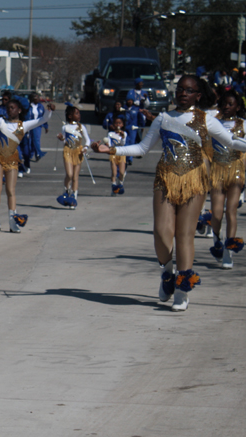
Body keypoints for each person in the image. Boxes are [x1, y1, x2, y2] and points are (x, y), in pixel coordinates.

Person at [92, 75, 246, 311]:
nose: (183, 93)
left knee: (184, 235)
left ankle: (182, 289)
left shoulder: (206, 120)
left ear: (197, 95)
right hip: (165, 179)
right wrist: (112, 149)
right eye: (180, 89)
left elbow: (232, 142)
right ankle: (167, 271)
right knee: (162, 233)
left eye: (189, 90)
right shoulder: (163, 118)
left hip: (194, 182)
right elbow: (142, 149)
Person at [0, 96, 54, 233]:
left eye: (12, 108)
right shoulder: (1, 122)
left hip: (13, 160)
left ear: (19, 110)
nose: (9, 110)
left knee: (10, 191)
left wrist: (49, 111)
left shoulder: (24, 125)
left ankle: (13, 221)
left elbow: (42, 120)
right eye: (8, 108)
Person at [208, 87, 245, 269]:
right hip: (217, 172)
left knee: (231, 210)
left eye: (231, 104)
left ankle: (229, 249)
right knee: (216, 212)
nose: (227, 107)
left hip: (236, 172)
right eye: (224, 104)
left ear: (237, 107)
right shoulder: (213, 124)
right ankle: (216, 239)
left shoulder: (243, 124)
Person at [55, 106, 91, 210]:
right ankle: (66, 189)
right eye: (76, 113)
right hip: (68, 151)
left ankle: (74, 198)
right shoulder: (65, 127)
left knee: (75, 176)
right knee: (69, 174)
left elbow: (87, 140)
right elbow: (64, 141)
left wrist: (85, 147)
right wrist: (61, 138)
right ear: (70, 116)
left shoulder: (81, 127)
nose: (79, 115)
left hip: (78, 152)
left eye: (79, 113)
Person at [102, 115, 127, 196]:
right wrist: (107, 144)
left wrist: (122, 136)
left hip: (122, 153)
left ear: (122, 125)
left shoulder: (124, 134)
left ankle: (120, 183)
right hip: (113, 154)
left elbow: (123, 143)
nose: (118, 125)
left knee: (122, 173)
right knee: (114, 172)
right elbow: (109, 144)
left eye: (119, 123)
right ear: (113, 125)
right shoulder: (110, 134)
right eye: (116, 123)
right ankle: (114, 188)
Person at [28, 93, 48, 161]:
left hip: (38, 126)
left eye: (38, 98)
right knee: (30, 141)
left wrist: (46, 126)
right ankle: (30, 154)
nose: (37, 99)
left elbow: (44, 117)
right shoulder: (28, 106)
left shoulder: (41, 106)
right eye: (35, 98)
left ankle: (38, 153)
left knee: (36, 140)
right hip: (29, 125)